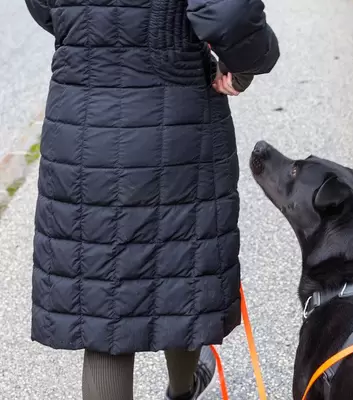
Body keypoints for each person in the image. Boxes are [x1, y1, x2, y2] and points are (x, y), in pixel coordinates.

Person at [23, 0, 279, 399]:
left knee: (103, 304)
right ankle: (183, 389)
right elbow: (227, 13)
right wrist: (242, 66)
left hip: (83, 119)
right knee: (182, 270)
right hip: (177, 114)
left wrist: (90, 35)